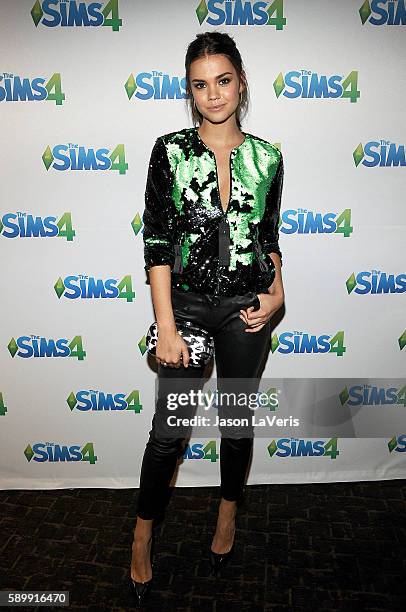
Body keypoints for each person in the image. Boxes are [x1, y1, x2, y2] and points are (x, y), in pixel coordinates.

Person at [130, 31, 285, 606]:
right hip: (188, 307)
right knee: (169, 434)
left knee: (236, 425)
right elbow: (157, 243)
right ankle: (142, 532)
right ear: (189, 91)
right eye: (201, 84)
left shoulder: (268, 156)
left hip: (248, 308)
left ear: (241, 83)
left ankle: (227, 516)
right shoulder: (168, 150)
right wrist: (167, 326)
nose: (213, 94)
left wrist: (278, 294)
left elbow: (267, 237)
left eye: (223, 80)